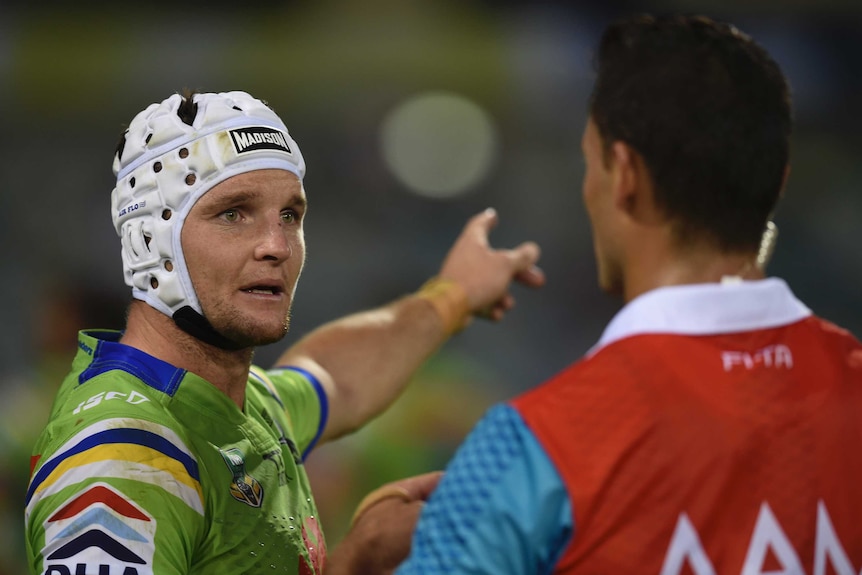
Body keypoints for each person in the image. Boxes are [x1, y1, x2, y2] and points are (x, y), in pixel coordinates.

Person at [340, 14, 862, 574]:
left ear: (624, 173)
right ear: (779, 179)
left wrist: (358, 558)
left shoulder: (532, 448)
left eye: (590, 163)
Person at [23, 89, 545, 575]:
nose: (276, 244)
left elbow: (333, 378)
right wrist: (358, 560)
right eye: (234, 213)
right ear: (147, 242)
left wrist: (451, 296)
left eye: (290, 215)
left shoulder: (231, 401)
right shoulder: (123, 458)